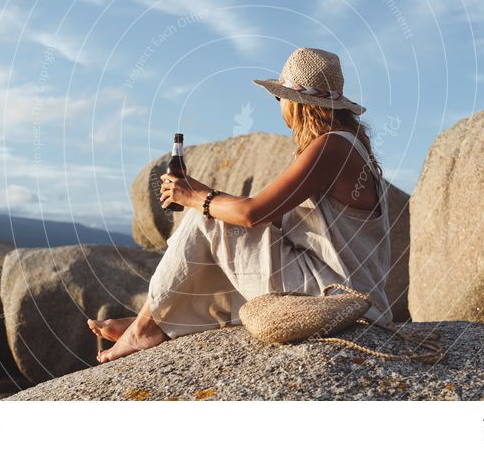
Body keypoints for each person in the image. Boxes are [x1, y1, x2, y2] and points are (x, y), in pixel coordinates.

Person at [87, 47, 393, 362]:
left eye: (280, 98)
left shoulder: (331, 147)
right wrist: (207, 194)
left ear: (299, 104)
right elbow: (271, 220)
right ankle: (157, 319)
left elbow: (253, 214)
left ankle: (146, 327)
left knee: (203, 220)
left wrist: (193, 198)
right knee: (217, 219)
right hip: (340, 285)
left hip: (337, 295)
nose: (281, 107)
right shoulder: (341, 145)